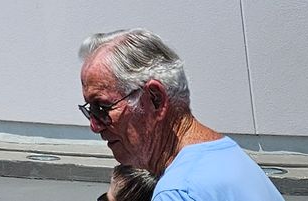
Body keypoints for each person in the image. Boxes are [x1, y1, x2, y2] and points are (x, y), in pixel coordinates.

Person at [79, 29, 283, 201]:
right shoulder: (226, 155)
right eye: (90, 110)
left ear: (155, 99)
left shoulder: (178, 192)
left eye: (102, 107)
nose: (95, 125)